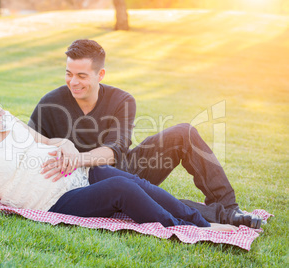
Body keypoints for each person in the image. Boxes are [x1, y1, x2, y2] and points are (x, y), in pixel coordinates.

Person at [0, 77, 237, 231]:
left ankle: (201, 222)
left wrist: (66, 146)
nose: (3, 112)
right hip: (54, 201)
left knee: (135, 182)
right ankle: (184, 230)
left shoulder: (10, 122)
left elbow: (47, 141)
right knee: (121, 189)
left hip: (77, 174)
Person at [28, 39, 262, 229]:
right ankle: (219, 217)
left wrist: (78, 156)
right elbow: (28, 142)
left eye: (81, 76)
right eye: (69, 73)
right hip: (83, 182)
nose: (73, 82)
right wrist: (62, 147)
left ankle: (228, 207)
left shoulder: (122, 100)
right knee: (141, 195)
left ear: (100, 75)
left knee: (184, 133)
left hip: (124, 167)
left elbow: (115, 152)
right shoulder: (50, 103)